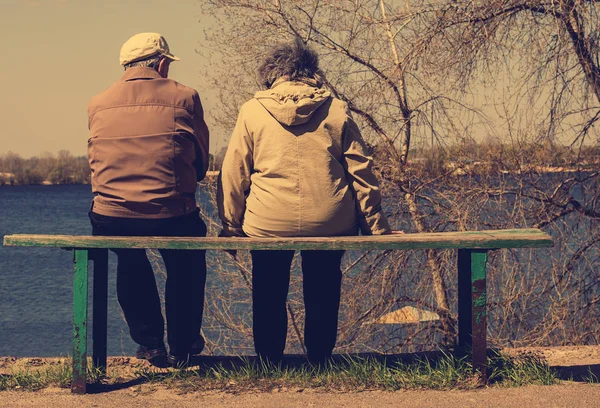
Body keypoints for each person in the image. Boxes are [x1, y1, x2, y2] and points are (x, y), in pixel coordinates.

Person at [217, 38, 392, 365]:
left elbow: (233, 171)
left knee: (268, 292)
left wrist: (231, 225)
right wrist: (376, 227)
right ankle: (320, 360)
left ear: (271, 74)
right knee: (323, 290)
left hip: (268, 221)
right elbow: (361, 171)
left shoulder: (252, 110)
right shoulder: (336, 109)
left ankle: (269, 363)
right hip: (330, 220)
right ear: (312, 72)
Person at [87, 32, 210, 368]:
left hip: (110, 215)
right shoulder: (186, 97)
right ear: (161, 64)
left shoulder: (97, 102)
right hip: (172, 212)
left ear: (126, 66)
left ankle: (150, 343)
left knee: (129, 258)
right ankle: (183, 346)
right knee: (186, 262)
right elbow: (201, 164)